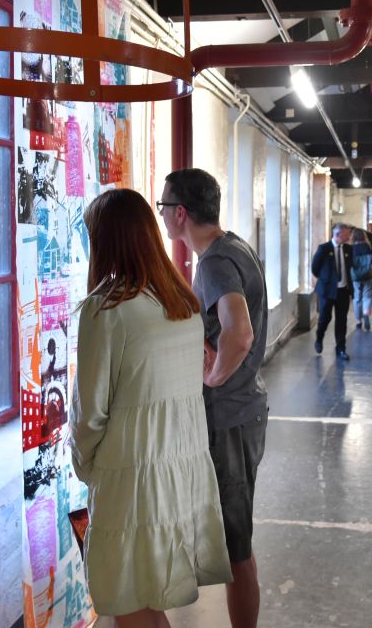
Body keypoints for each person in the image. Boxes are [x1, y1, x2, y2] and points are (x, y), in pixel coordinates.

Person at [71, 188, 232, 628]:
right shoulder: (181, 304)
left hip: (131, 478)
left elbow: (90, 413)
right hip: (178, 472)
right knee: (147, 600)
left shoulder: (105, 310)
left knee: (128, 603)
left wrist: (85, 465)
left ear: (107, 241)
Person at [159, 168, 269, 628]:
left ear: (180, 214)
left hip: (229, 418)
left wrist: (213, 379)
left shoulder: (214, 264)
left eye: (163, 207)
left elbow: (238, 332)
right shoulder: (234, 247)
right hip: (243, 413)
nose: (162, 216)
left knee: (236, 547)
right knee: (232, 541)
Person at [312, 223, 353, 361]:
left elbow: (349, 268)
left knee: (342, 320)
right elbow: (315, 268)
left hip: (343, 291)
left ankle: (341, 349)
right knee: (325, 318)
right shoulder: (324, 249)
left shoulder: (348, 249)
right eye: (347, 234)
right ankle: (319, 338)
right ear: (338, 234)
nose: (349, 236)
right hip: (327, 291)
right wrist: (326, 280)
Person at [350, 228, 372, 331]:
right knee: (367, 296)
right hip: (368, 276)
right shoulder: (368, 247)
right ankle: (366, 313)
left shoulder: (351, 248)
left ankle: (359, 321)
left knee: (357, 298)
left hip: (356, 277)